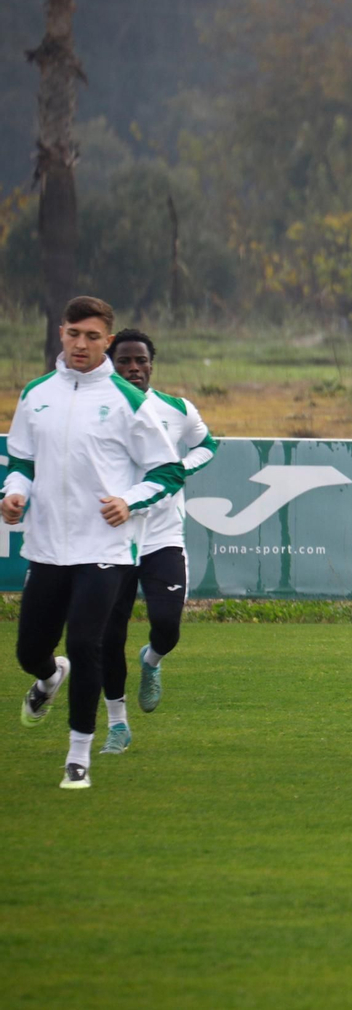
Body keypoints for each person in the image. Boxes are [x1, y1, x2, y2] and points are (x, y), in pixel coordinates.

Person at [6, 296, 183, 789]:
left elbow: (167, 470)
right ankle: (46, 676)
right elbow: (21, 462)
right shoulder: (36, 393)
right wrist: (15, 493)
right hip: (46, 548)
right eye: (73, 334)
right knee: (29, 652)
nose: (80, 344)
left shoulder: (128, 400)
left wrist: (129, 500)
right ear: (60, 333)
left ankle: (77, 756)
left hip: (105, 549)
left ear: (106, 340)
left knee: (86, 644)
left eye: (91, 336)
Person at [99, 329, 219, 734]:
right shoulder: (97, 408)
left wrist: (178, 470)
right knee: (108, 636)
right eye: (124, 361)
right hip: (112, 538)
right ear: (110, 362)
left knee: (167, 626)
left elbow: (207, 445)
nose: (134, 368)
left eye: (141, 361)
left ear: (152, 364)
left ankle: (151, 661)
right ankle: (117, 723)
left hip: (163, 536)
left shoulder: (176, 409)